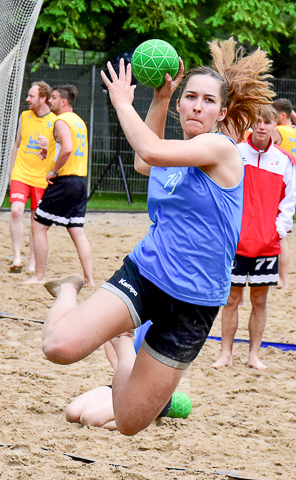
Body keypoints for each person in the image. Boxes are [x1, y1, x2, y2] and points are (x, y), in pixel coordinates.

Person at [40, 38, 273, 436]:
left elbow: (148, 150)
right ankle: (68, 289)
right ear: (182, 104)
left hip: (194, 305)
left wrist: (122, 102)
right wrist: (161, 97)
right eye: (190, 97)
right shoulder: (174, 152)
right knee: (57, 347)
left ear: (221, 113)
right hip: (146, 275)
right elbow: (144, 159)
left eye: (208, 101)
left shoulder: (221, 149)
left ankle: (126, 339)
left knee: (130, 422)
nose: (197, 105)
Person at [211, 105, 296, 370]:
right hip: (236, 243)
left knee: (260, 301)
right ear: (251, 124)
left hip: (266, 245)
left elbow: (288, 203)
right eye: (258, 121)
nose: (262, 126)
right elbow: (220, 191)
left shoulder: (283, 160)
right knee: (231, 299)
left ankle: (253, 356)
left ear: (275, 126)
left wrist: (276, 232)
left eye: (267, 122)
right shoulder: (235, 153)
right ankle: (225, 353)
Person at [23, 85, 94, 286]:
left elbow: (67, 149)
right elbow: (68, 147)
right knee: (77, 231)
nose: (49, 101)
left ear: (63, 102)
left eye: (53, 98)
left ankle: (39, 275)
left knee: (38, 227)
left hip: (64, 180)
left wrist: (53, 170)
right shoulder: (79, 122)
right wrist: (50, 150)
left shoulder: (61, 120)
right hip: (80, 181)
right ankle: (89, 279)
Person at [65, 321, 176, 430]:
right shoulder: (137, 314)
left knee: (89, 419)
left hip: (149, 395)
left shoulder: (168, 326)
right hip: (125, 385)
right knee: (72, 413)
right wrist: (122, 372)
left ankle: (147, 422)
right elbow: (110, 340)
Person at [7, 81, 57, 274]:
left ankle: (32, 262)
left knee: (37, 222)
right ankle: (16, 257)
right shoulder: (25, 116)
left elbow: (61, 152)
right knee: (16, 211)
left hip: (42, 178)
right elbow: (16, 145)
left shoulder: (55, 121)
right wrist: (11, 172)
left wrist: (49, 146)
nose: (27, 99)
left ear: (43, 98)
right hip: (21, 173)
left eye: (31, 96)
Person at [271, 98, 296, 289]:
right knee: (282, 235)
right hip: (290, 186)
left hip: (275, 186)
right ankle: (283, 277)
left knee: (278, 236)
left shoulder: (279, 131)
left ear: (281, 116)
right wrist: (292, 112)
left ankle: (278, 276)